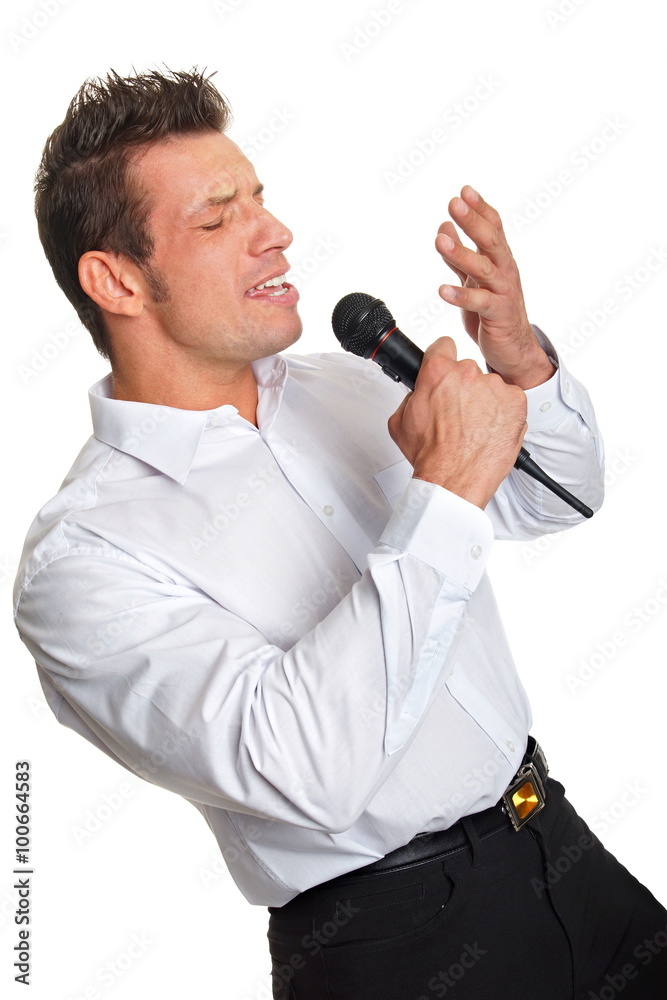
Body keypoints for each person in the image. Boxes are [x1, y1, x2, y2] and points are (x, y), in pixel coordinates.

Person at [13, 67, 666, 999]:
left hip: (563, 852)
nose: (272, 232)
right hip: (399, 949)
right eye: (216, 219)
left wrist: (518, 365)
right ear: (116, 278)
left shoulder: (345, 383)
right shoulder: (82, 563)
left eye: (260, 199)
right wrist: (439, 489)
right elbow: (307, 770)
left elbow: (557, 497)